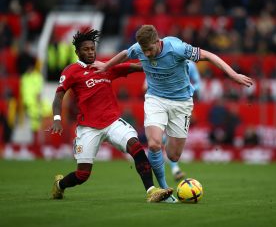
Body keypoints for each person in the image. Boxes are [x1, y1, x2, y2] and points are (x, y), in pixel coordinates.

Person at [91, 25, 253, 203]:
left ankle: (167, 151)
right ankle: (163, 189)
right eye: (144, 51)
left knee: (174, 155)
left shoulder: (177, 48)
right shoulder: (140, 48)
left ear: (158, 42)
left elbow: (209, 55)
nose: (147, 54)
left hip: (181, 103)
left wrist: (233, 74)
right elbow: (124, 53)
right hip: (155, 99)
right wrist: (106, 65)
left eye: (150, 50)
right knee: (153, 145)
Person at [49, 29, 173, 202]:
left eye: (92, 48)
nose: (90, 52)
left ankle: (152, 191)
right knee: (82, 174)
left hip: (112, 122)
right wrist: (57, 119)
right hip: (88, 127)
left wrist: (161, 63)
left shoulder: (105, 67)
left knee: (136, 147)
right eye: (86, 49)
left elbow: (135, 66)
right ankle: (60, 185)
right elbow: (59, 95)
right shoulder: (71, 71)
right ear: (77, 52)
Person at [143, 60, 202, 182]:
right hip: (158, 103)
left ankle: (168, 166)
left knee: (169, 144)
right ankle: (173, 171)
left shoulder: (190, 64)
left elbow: (198, 84)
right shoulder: (158, 62)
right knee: (157, 140)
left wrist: (186, 89)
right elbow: (144, 86)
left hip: (179, 104)